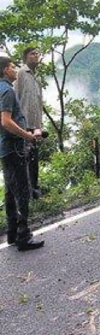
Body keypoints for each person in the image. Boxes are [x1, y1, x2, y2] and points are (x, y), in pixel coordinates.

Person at [0, 57, 44, 251]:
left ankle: (12, 233)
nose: (15, 70)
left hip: (4, 148)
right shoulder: (8, 91)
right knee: (23, 191)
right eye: (11, 67)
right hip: (15, 147)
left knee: (11, 191)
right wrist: (28, 135)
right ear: (4, 70)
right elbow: (6, 121)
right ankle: (23, 236)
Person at [15, 47, 44, 199]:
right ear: (25, 57)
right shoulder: (20, 74)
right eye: (33, 54)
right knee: (24, 160)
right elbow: (15, 98)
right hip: (23, 126)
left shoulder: (36, 78)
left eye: (37, 54)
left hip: (35, 128)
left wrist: (40, 126)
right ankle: (25, 195)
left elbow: (39, 104)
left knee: (34, 159)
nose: (36, 56)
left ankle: (35, 192)